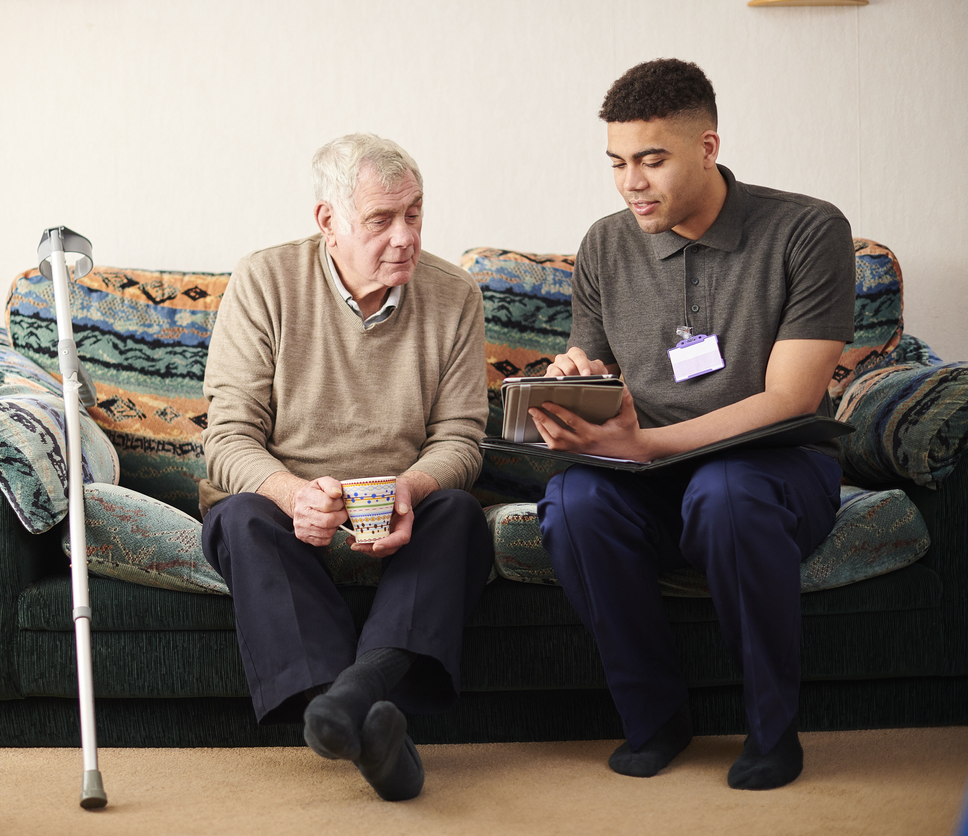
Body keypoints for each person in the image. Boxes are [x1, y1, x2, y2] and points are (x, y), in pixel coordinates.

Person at [532, 59, 856, 790]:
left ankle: (773, 733)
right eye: (616, 163)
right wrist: (577, 383)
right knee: (573, 504)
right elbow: (604, 373)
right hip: (648, 471)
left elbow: (792, 398)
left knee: (726, 492)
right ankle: (656, 719)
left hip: (772, 468)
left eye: (652, 160)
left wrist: (647, 443)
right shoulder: (606, 245)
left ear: (707, 147)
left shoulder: (808, 230)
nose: (630, 183)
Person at [200, 133, 493, 801]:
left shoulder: (453, 296)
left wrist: (412, 487)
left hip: (401, 509)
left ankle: (347, 701)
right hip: (283, 508)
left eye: (414, 214)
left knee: (460, 514)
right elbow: (226, 440)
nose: (405, 238)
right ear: (328, 222)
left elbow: (461, 440)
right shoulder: (265, 280)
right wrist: (292, 493)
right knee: (239, 517)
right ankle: (365, 710)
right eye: (381, 220)